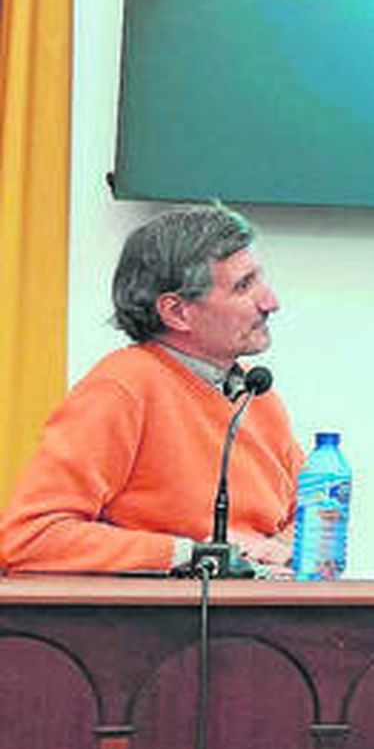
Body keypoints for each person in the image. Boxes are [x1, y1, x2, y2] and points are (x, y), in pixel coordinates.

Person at [0, 203, 303, 575]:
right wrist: (192, 555)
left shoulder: (254, 388)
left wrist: (282, 548)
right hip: (167, 608)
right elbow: (29, 537)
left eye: (259, 280)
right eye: (243, 286)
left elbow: (313, 510)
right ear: (176, 312)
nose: (271, 302)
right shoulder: (121, 388)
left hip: (263, 603)